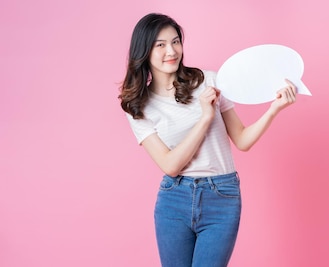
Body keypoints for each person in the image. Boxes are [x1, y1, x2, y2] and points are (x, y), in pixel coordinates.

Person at [118, 13, 297, 267]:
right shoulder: (138, 106)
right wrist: (204, 118)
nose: (171, 50)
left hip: (221, 196)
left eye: (176, 41)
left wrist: (274, 109)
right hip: (174, 199)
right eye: (160, 45)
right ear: (144, 50)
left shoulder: (209, 81)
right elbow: (170, 165)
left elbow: (242, 140)